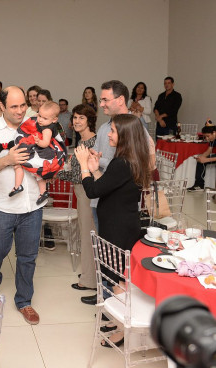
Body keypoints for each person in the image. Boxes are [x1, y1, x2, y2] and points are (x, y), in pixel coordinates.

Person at [75, 114, 151, 348]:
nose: (108, 134)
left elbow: (93, 191)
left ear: (125, 135)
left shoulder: (122, 163)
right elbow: (109, 188)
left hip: (118, 228)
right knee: (118, 276)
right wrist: (95, 170)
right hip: (121, 224)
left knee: (118, 279)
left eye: (114, 130)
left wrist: (83, 167)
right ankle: (119, 322)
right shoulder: (130, 160)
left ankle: (122, 329)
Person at [80, 79, 155, 306]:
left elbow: (147, 162)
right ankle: (108, 301)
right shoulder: (107, 129)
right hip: (108, 205)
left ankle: (115, 309)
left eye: (105, 99)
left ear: (120, 100)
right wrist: (96, 167)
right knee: (110, 264)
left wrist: (85, 167)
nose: (101, 104)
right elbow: (107, 180)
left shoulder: (133, 130)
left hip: (118, 216)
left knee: (115, 268)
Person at [0, 86, 44, 325]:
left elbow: (48, 155)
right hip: (2, 205)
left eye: (23, 105)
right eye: (14, 106)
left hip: (32, 205)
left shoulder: (36, 127)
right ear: (2, 106)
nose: (20, 111)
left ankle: (24, 301)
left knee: (28, 256)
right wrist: (7, 160)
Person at [57, 104, 98, 293]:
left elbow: (80, 175)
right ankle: (90, 275)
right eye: (75, 117)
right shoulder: (83, 142)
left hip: (87, 192)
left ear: (90, 120)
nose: (77, 121)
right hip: (82, 191)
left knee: (88, 235)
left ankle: (89, 280)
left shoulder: (93, 143)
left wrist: (55, 173)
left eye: (82, 117)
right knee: (87, 233)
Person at [8, 101, 67, 204]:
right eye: (39, 115)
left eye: (44, 118)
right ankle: (43, 192)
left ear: (54, 120)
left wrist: (38, 141)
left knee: (20, 164)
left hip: (43, 152)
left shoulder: (47, 129)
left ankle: (18, 186)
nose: (40, 119)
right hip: (43, 152)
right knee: (39, 174)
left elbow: (45, 143)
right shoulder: (45, 122)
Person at [187, 122, 216, 191]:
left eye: (208, 136)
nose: (207, 139)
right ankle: (199, 185)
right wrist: (201, 157)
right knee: (200, 161)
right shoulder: (212, 139)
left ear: (214, 133)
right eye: (205, 137)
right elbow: (209, 150)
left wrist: (206, 160)